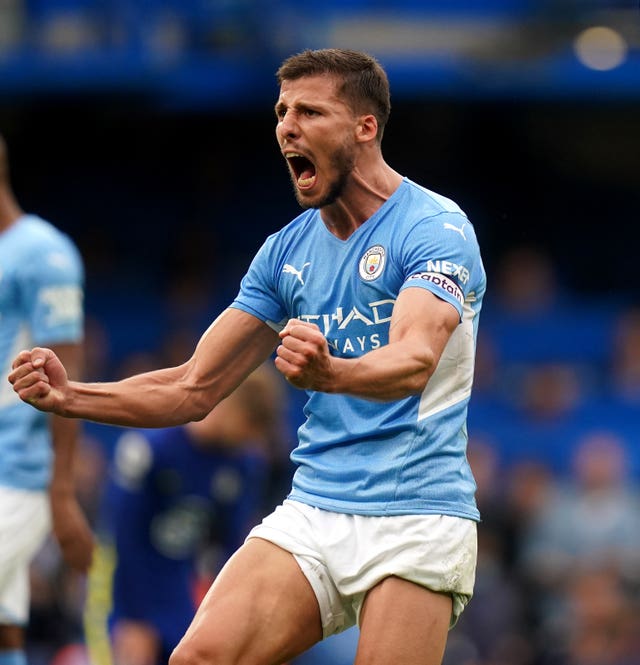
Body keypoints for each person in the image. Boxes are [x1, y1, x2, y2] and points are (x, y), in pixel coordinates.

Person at [9, 48, 486, 665]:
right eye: (282, 111)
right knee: (198, 658)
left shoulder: (433, 227)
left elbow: (415, 361)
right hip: (317, 506)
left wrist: (330, 373)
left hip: (419, 512)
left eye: (311, 111)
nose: (287, 125)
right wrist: (71, 395)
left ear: (365, 127)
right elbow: (191, 387)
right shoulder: (284, 253)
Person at [84, 364, 287, 665]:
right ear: (233, 408)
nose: (251, 440)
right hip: (121, 589)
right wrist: (133, 619)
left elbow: (232, 548)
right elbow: (122, 537)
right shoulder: (151, 448)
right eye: (250, 429)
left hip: (177, 588)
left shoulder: (242, 465)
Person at [0, 134, 93, 665]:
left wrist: (61, 491)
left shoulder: (43, 253)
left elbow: (66, 377)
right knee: (6, 633)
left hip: (18, 474)